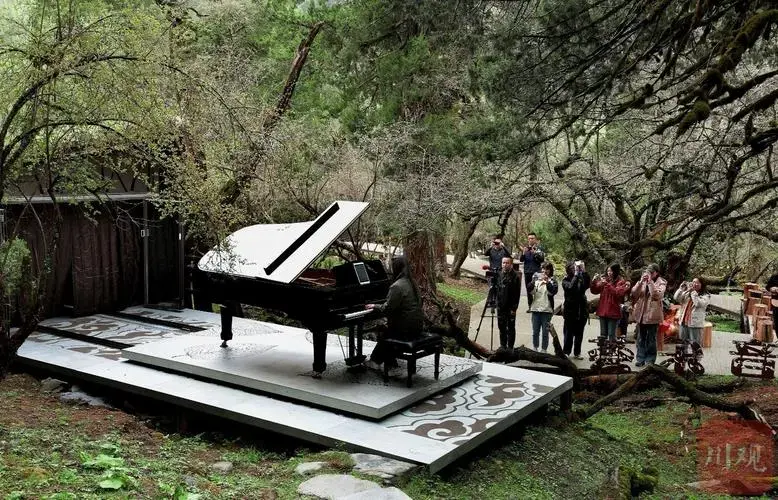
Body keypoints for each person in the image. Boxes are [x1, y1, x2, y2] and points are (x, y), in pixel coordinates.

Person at [364, 256, 424, 375]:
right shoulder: (412, 283)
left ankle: (379, 363)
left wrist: (374, 306)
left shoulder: (397, 286)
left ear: (396, 268)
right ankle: (386, 363)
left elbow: (387, 308)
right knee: (387, 331)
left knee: (385, 334)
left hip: (406, 330)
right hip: (417, 327)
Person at [631, 263, 667, 367]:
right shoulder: (643, 281)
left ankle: (650, 359)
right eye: (648, 272)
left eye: (652, 272)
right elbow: (634, 293)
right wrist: (640, 282)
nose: (649, 274)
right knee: (640, 338)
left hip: (653, 315)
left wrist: (650, 282)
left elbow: (656, 295)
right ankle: (640, 358)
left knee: (651, 339)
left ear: (656, 273)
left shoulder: (662, 283)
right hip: (641, 314)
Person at [590, 263, 631, 340]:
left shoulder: (621, 281)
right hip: (603, 311)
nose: (609, 273)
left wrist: (607, 284)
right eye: (608, 271)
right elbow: (595, 290)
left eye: (611, 271)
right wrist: (594, 281)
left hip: (613, 312)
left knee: (611, 335)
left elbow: (618, 293)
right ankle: (603, 347)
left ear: (615, 271)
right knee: (603, 335)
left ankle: (612, 347)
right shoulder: (605, 280)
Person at [562, 260, 591, 359]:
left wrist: (584, 271)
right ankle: (566, 351)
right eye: (573, 268)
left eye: (575, 267)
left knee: (579, 333)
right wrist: (576, 275)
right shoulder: (565, 280)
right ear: (568, 270)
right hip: (570, 311)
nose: (575, 269)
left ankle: (577, 352)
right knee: (568, 333)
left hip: (581, 310)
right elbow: (570, 288)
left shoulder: (580, 278)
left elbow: (587, 285)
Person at [674, 277, 710, 348]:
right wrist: (681, 289)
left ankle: (695, 356)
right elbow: (676, 298)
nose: (694, 284)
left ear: (702, 284)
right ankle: (684, 355)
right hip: (684, 322)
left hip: (695, 324)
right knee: (683, 346)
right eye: (693, 282)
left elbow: (698, 304)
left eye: (697, 282)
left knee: (695, 346)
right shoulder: (688, 293)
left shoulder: (706, 296)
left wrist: (693, 292)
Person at [529, 261, 558, 352]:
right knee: (535, 332)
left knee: (545, 332)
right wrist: (533, 281)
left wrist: (547, 282)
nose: (544, 271)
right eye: (543, 269)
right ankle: (535, 348)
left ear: (550, 270)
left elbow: (553, 292)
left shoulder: (553, 280)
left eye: (547, 269)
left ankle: (544, 349)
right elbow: (530, 291)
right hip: (535, 309)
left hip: (547, 310)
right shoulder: (536, 279)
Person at [496, 256, 521, 351]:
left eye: (507, 263)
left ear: (511, 264)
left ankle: (510, 347)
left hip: (510, 307)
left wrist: (514, 308)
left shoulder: (515, 276)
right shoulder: (499, 274)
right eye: (503, 263)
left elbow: (517, 294)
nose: (505, 265)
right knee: (501, 327)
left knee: (510, 327)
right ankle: (503, 345)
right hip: (501, 306)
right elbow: (498, 290)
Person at [519, 232, 545, 311]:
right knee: (529, 289)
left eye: (532, 238)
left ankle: (537, 306)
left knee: (537, 289)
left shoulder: (539, 249)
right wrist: (523, 253)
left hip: (536, 272)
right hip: (527, 272)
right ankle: (530, 306)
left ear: (535, 239)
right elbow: (521, 260)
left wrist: (535, 253)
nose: (531, 240)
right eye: (529, 238)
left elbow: (542, 259)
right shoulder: (526, 249)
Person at [767, 271, 778, 340]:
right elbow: (768, 287)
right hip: (776, 302)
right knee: (776, 322)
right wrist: (771, 288)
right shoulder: (775, 277)